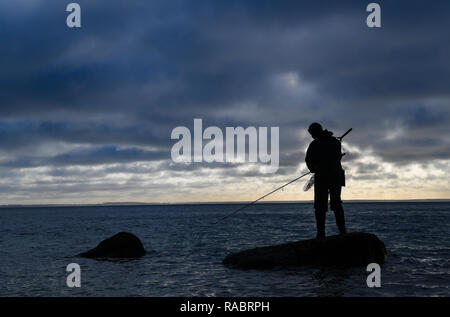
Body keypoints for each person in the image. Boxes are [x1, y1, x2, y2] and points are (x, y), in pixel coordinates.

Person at [305, 122, 347, 239]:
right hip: (335, 176)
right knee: (336, 203)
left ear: (315, 132)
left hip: (323, 177)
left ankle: (321, 234)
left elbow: (308, 160)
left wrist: (313, 168)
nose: (312, 136)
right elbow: (337, 157)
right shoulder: (335, 142)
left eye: (312, 133)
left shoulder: (314, 144)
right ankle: (342, 231)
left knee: (320, 206)